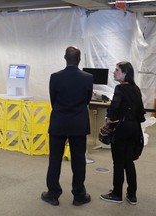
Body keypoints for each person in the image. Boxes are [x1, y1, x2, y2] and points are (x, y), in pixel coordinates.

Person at [41, 46, 93, 206]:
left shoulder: (55, 77)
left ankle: (53, 194)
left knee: (55, 159)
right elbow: (87, 99)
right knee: (79, 160)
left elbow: (53, 100)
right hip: (79, 123)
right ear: (79, 59)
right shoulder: (88, 77)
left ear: (65, 58)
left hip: (59, 122)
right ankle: (79, 195)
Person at [100, 61, 146, 205]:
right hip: (134, 129)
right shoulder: (136, 89)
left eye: (117, 70)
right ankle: (132, 195)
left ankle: (116, 194)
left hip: (121, 130)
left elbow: (114, 108)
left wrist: (108, 120)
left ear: (125, 73)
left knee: (118, 162)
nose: (114, 72)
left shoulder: (120, 88)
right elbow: (141, 113)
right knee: (128, 162)